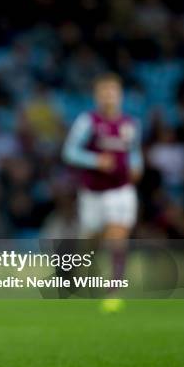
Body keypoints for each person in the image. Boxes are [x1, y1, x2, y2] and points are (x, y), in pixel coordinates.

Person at [62, 73, 142, 311]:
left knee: (117, 235)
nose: (109, 97)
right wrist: (96, 160)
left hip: (121, 190)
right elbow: (69, 152)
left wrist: (137, 166)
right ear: (97, 96)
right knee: (91, 241)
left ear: (120, 95)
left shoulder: (130, 124)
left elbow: (134, 152)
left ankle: (114, 291)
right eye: (104, 92)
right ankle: (77, 276)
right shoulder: (88, 121)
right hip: (92, 192)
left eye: (113, 91)